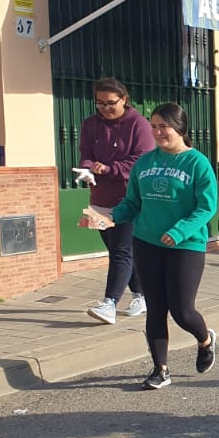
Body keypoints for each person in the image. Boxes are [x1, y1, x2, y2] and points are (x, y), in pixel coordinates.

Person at [80, 103, 218, 390]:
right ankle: (160, 369)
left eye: (163, 126)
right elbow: (132, 202)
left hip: (186, 245)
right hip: (146, 242)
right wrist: (110, 218)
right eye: (153, 126)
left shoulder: (197, 163)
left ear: (180, 128)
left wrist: (179, 231)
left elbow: (207, 207)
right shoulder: (145, 163)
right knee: (155, 308)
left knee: (182, 311)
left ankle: (205, 340)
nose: (157, 132)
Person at [79, 78, 154, 324]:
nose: (105, 108)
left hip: (128, 199)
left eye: (111, 103)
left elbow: (141, 159)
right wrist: (87, 169)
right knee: (116, 250)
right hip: (99, 198)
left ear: (124, 99)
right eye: (100, 103)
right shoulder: (90, 124)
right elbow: (85, 154)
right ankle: (142, 295)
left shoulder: (139, 124)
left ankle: (109, 304)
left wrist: (110, 169)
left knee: (121, 251)